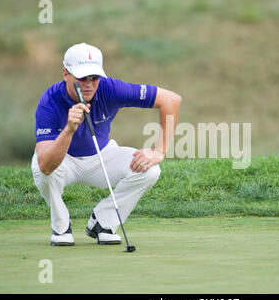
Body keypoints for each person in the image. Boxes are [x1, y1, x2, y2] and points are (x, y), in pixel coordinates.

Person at [31, 42, 181, 246]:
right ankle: (61, 226)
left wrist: (160, 150)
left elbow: (171, 100)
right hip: (65, 161)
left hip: (102, 157)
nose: (89, 84)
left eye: (94, 77)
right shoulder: (50, 101)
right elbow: (46, 164)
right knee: (41, 171)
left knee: (150, 170)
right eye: (82, 78)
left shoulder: (110, 88)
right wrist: (69, 129)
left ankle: (103, 222)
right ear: (65, 73)